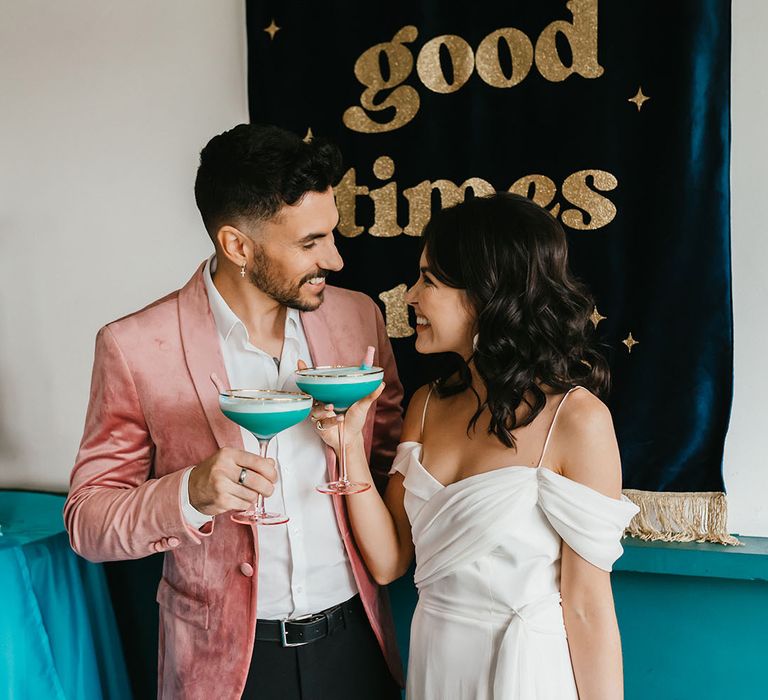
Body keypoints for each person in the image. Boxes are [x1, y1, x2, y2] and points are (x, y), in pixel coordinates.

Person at [64, 124, 404, 700]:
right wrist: (189, 492)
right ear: (238, 246)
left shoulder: (359, 320)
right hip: (227, 667)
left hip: (356, 646)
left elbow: (393, 462)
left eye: (332, 236)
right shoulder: (135, 346)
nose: (336, 259)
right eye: (310, 243)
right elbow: (87, 522)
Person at [311, 192, 640, 699]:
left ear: (488, 295)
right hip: (436, 662)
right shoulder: (424, 404)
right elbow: (389, 560)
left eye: (430, 281)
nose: (410, 296)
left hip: (526, 672)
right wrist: (348, 447)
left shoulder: (577, 421)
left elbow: (587, 606)